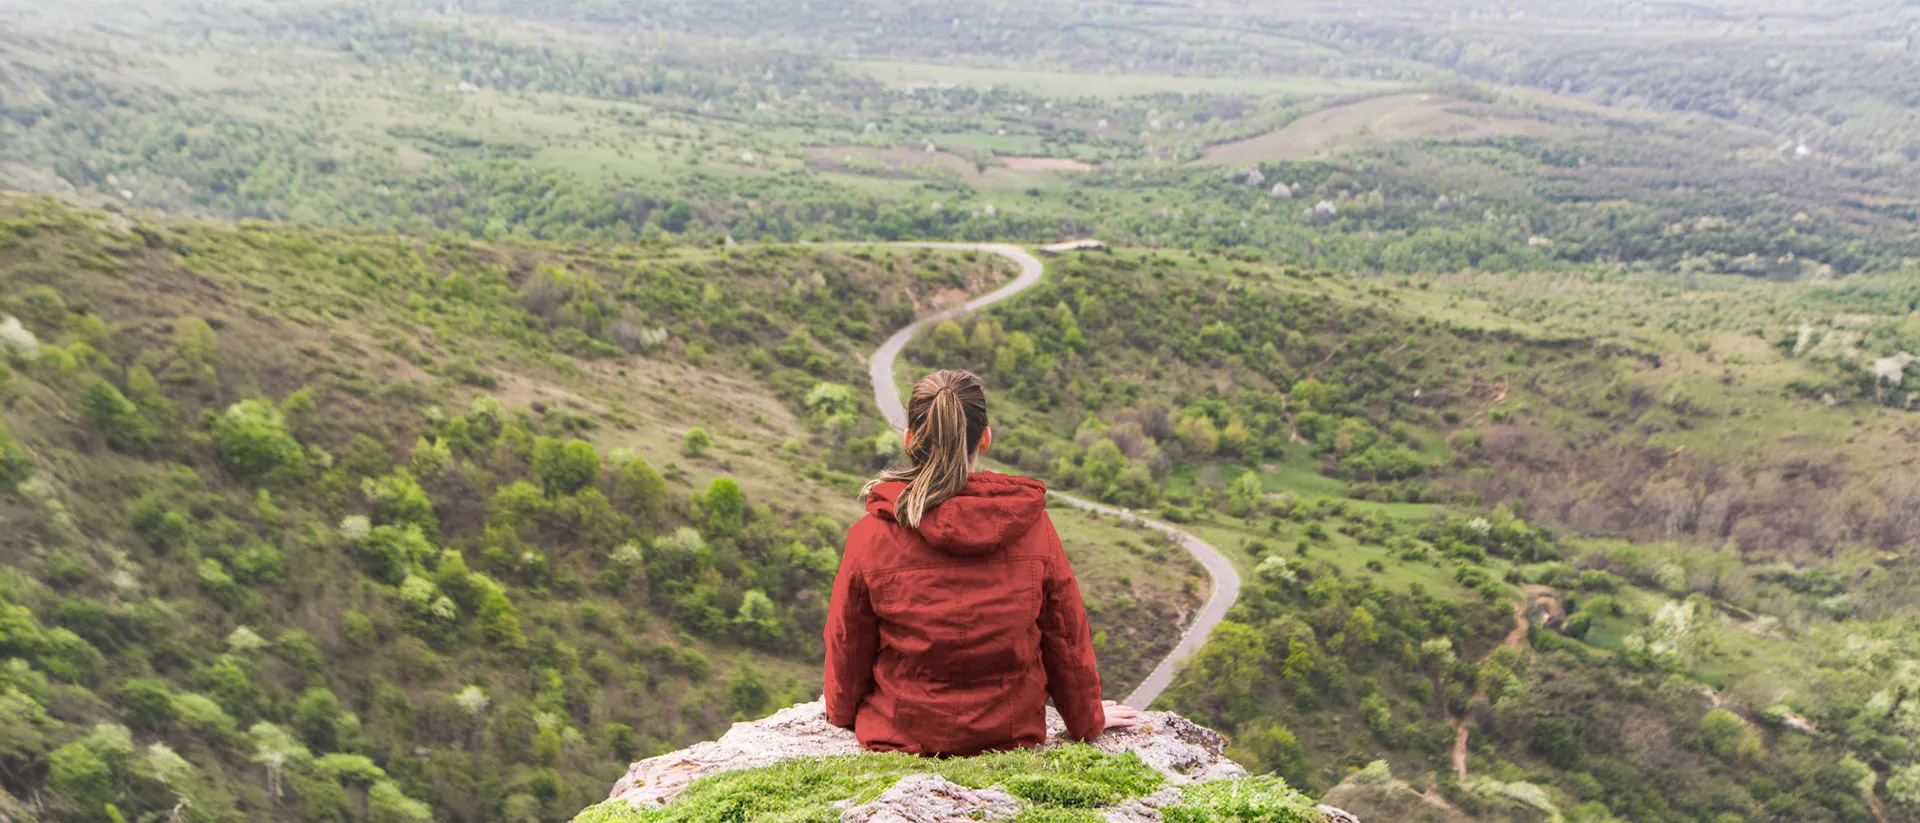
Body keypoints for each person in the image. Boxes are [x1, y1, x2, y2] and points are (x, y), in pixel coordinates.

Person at [824, 369, 1138, 756]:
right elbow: (1065, 636)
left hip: (900, 734)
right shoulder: (1031, 525)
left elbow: (848, 642)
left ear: (909, 440)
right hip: (1010, 735)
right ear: (985, 437)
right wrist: (1087, 720)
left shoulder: (870, 535)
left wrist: (841, 713)